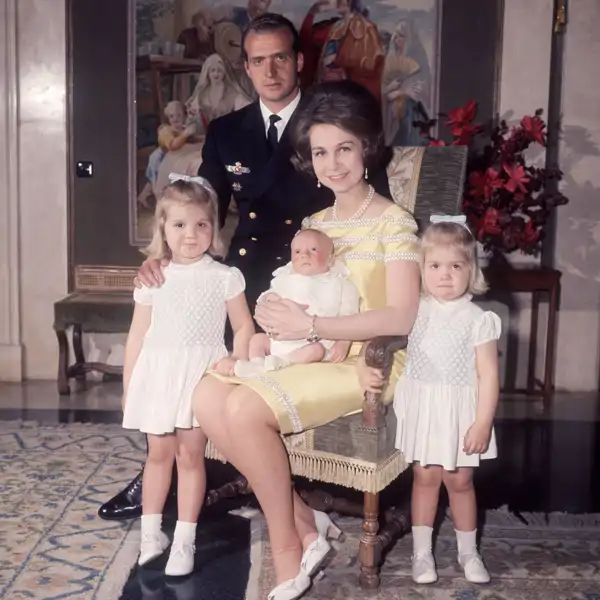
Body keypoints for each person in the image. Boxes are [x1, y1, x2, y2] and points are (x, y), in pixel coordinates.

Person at [98, 14, 392, 521]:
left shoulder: (327, 127)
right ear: (247, 68)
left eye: (281, 57)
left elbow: (371, 206)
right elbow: (200, 202)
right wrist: (161, 256)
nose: (271, 70)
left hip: (315, 278)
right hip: (245, 273)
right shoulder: (228, 132)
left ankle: (258, 480)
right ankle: (163, 466)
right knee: (189, 344)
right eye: (259, 61)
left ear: (299, 61)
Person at [187, 81, 421, 599]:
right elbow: (296, 296)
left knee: (245, 410)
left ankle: (289, 546)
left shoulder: (394, 224)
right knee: (205, 396)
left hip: (369, 363)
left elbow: (402, 316)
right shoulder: (314, 224)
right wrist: (273, 319)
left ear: (367, 149)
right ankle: (307, 524)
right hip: (311, 355)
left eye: (344, 148)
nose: (332, 164)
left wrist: (312, 327)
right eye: (320, 152)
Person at [122, 173, 254, 576]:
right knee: (157, 455)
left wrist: (237, 358)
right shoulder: (154, 278)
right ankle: (150, 536)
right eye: (179, 225)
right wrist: (129, 387)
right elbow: (136, 336)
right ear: (163, 227)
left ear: (213, 227)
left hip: (200, 376)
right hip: (159, 375)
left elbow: (245, 326)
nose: (191, 234)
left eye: (201, 224)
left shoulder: (224, 276)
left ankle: (184, 538)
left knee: (190, 456)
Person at [393, 215, 500, 586]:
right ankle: (422, 553)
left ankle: (468, 551)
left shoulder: (478, 318)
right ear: (421, 269)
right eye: (435, 265)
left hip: (460, 413)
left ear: (471, 270)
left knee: (459, 480)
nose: (445, 275)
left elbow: (488, 375)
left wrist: (482, 421)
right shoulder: (414, 311)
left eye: (456, 266)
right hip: (423, 406)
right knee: (425, 477)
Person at [234, 228, 360, 377]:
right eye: (297, 252)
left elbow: (349, 316)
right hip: (278, 341)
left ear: (330, 259)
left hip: (311, 343)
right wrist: (269, 299)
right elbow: (265, 298)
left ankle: (283, 362)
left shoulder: (341, 285)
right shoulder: (283, 279)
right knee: (257, 340)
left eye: (313, 250)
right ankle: (257, 365)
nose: (304, 255)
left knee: (316, 351)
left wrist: (343, 342)